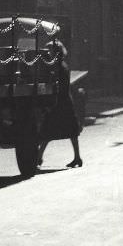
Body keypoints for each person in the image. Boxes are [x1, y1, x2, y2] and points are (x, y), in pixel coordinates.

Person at [37, 38, 82, 168]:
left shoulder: (58, 66)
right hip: (64, 101)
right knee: (69, 131)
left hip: (59, 102)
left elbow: (56, 85)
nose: (48, 53)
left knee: (48, 130)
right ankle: (77, 157)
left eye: (49, 50)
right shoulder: (61, 64)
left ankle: (39, 158)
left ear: (56, 52)